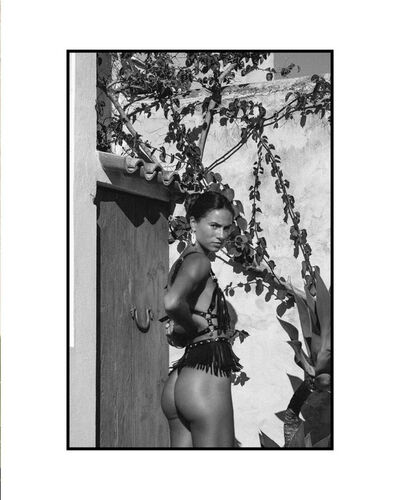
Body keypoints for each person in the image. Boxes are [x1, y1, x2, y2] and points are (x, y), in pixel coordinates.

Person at [160, 191, 242, 448]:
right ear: (193, 223)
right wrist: (195, 324)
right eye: (214, 226)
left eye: (226, 228)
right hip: (205, 378)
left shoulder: (183, 261)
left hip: (181, 379)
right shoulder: (199, 262)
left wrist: (184, 326)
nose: (221, 235)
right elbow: (172, 302)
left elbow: (177, 312)